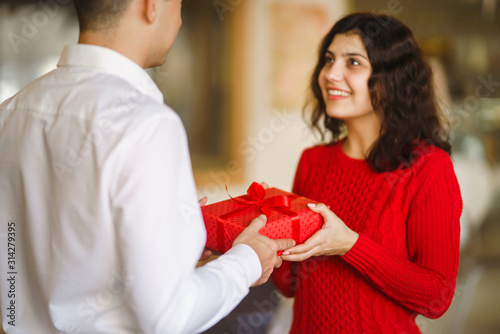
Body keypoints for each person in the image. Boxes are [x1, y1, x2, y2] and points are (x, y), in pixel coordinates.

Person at [0, 0, 294, 333]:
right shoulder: (146, 124)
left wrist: (174, 243)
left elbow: (29, 256)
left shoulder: (11, 112)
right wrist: (248, 261)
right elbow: (168, 318)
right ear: (151, 6)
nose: (181, 20)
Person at [271, 12, 463, 333]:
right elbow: (291, 284)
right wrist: (268, 231)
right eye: (329, 60)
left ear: (392, 79)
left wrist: (350, 245)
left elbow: (436, 298)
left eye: (353, 62)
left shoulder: (429, 168)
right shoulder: (313, 161)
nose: (331, 73)